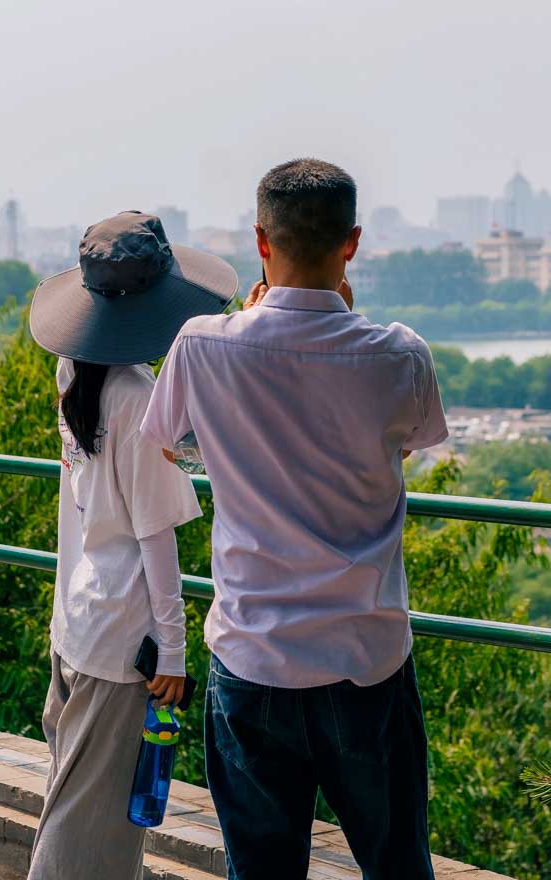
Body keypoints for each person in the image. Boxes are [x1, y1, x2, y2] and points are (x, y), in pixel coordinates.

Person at [141, 160, 449, 880]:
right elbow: (410, 441)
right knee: (398, 865)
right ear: (353, 243)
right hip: (366, 659)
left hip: (253, 656)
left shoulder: (202, 345)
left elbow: (169, 443)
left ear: (261, 240)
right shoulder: (399, 354)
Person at [25, 211, 239, 880]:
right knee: (89, 830)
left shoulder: (72, 372)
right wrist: (172, 652)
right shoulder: (136, 398)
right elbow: (155, 541)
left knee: (78, 806)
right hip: (122, 637)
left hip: (77, 618)